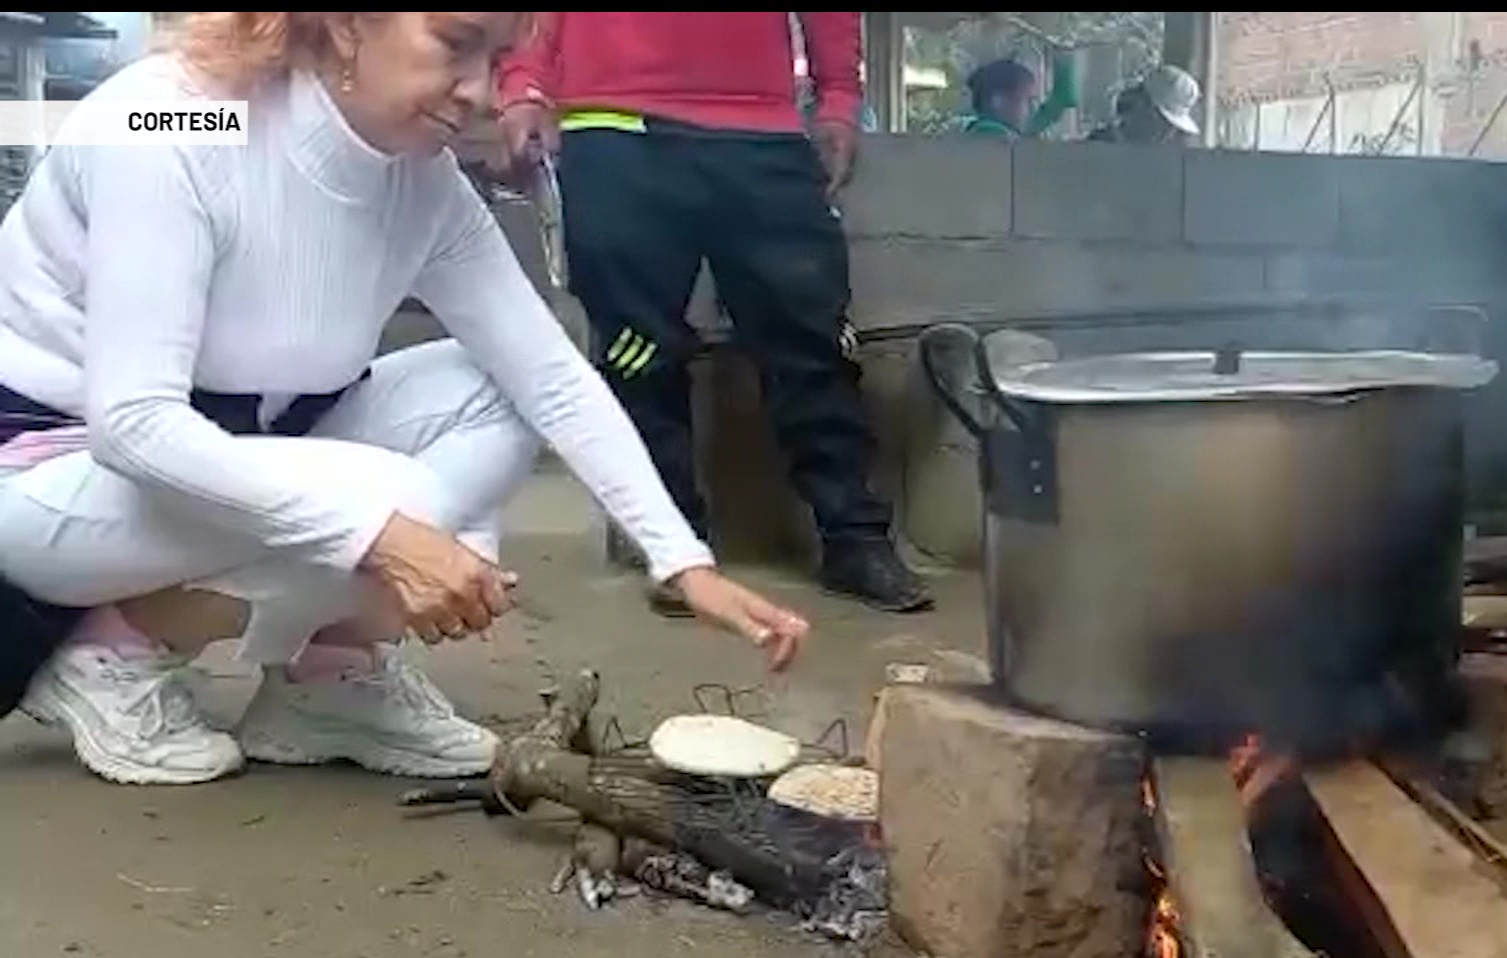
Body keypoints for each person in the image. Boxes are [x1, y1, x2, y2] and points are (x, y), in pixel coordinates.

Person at [0, 12, 811, 787]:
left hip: (248, 436)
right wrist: (381, 537)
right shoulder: (171, 120)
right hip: (50, 471)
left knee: (490, 389)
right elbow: (134, 423)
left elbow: (550, 376)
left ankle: (327, 677)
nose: (482, 94)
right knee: (403, 505)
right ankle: (117, 652)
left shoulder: (421, 181)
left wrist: (684, 562)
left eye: (496, 61)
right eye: (454, 44)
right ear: (348, 22)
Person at [494, 13, 932, 618]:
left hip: (760, 129)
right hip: (613, 122)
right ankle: (673, 550)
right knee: (637, 350)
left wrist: (838, 99)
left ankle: (854, 538)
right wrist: (523, 84)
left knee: (814, 343)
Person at [956, 53, 1080, 140]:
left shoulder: (999, 131)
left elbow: (1045, 116)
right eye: (1027, 100)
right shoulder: (991, 134)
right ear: (998, 101)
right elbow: (1035, 125)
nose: (1033, 108)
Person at [1085, 65, 1201, 145]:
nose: (1168, 132)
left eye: (1172, 126)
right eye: (1163, 120)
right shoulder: (1098, 145)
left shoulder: (1169, 159)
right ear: (1141, 102)